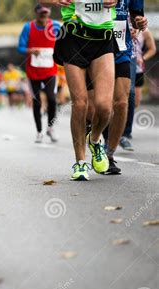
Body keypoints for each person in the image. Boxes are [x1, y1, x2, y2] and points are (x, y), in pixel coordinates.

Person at [42, 0, 116, 181]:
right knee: (80, 103)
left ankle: (95, 139)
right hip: (73, 37)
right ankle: (80, 162)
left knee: (105, 107)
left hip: (102, 38)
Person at [87, 0, 147, 175]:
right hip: (95, 45)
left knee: (122, 102)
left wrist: (140, 21)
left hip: (122, 47)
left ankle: (109, 153)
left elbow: (136, 15)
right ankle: (96, 139)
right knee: (100, 105)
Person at [18, 5, 61, 144]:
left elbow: (64, 40)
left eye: (46, 13)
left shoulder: (54, 25)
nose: (43, 16)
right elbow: (20, 47)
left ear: (48, 14)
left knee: (52, 99)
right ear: (36, 13)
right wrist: (30, 50)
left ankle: (51, 127)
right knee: (37, 101)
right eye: (41, 13)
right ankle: (39, 131)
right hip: (33, 70)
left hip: (50, 69)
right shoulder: (28, 27)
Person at [120, 27, 156, 150]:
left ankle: (124, 126)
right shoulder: (122, 27)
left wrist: (143, 58)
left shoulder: (144, 31)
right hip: (123, 63)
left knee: (134, 102)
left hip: (138, 69)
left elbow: (152, 49)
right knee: (122, 98)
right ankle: (123, 131)